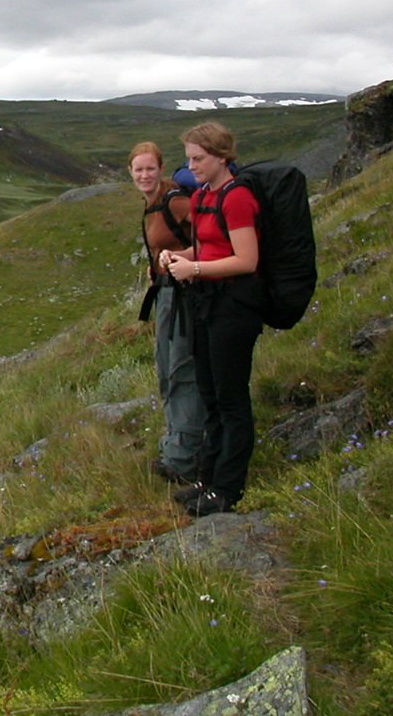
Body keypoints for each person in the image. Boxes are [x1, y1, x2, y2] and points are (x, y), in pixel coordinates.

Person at [160, 122, 263, 517]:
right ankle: (208, 480)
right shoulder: (203, 195)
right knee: (210, 394)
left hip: (234, 307)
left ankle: (228, 488)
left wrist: (196, 270)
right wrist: (179, 257)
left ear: (221, 156)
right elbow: (205, 249)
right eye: (189, 158)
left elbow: (247, 259)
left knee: (230, 397)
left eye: (198, 158)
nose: (191, 166)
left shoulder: (237, 198)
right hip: (207, 303)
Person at [128, 141, 203, 485]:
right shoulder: (152, 204)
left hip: (185, 295)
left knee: (181, 371)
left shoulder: (175, 201)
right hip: (166, 294)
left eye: (150, 168)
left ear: (160, 169)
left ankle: (184, 460)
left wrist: (181, 258)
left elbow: (216, 239)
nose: (144, 175)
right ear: (130, 172)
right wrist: (156, 267)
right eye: (138, 169)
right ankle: (176, 446)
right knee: (166, 369)